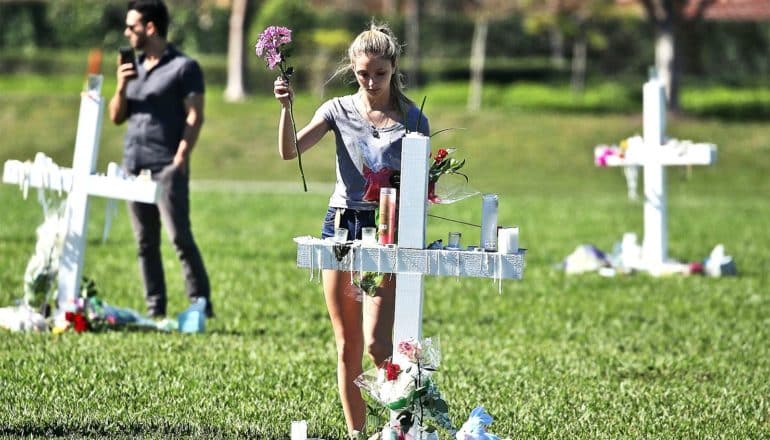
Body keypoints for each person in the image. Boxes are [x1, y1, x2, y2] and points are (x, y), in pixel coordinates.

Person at [273, 22, 430, 436]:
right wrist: (286, 108)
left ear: (393, 68)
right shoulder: (336, 110)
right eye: (363, 73)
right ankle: (357, 433)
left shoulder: (414, 118)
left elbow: (423, 186)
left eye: (380, 73)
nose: (372, 82)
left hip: (387, 228)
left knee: (380, 345)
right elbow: (290, 151)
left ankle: (399, 426)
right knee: (348, 345)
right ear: (352, 69)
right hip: (342, 225)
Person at [108, 0, 212, 319]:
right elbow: (116, 117)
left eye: (131, 26)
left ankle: (200, 305)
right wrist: (122, 84)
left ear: (150, 27)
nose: (126, 32)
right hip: (133, 166)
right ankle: (156, 307)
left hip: (166, 166)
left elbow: (195, 116)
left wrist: (180, 158)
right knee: (144, 242)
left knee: (179, 237)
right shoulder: (132, 66)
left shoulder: (184, 67)